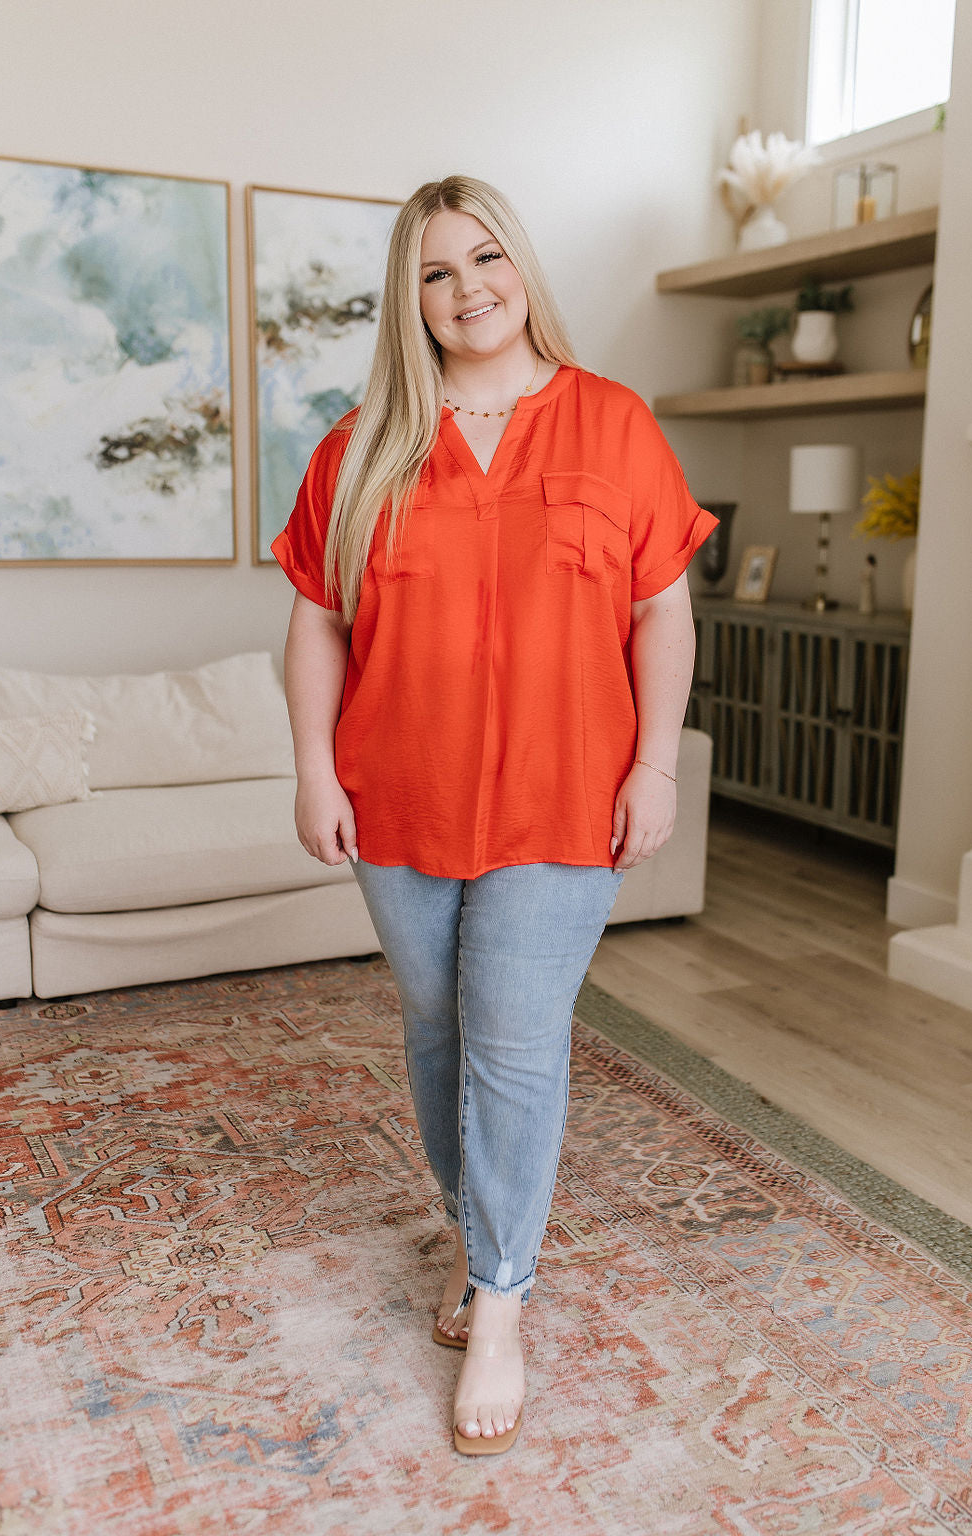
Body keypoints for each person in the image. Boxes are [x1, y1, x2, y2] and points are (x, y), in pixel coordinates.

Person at [272, 175, 716, 1456]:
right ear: (408, 299)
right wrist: (313, 770)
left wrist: (655, 768)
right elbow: (316, 621)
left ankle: (503, 1302)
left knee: (513, 1045)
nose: (467, 289)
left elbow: (660, 611)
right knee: (436, 1029)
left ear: (519, 267)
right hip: (398, 790)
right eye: (435, 271)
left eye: (485, 259)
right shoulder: (360, 446)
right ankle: (480, 1241)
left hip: (564, 795)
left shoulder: (612, 423)